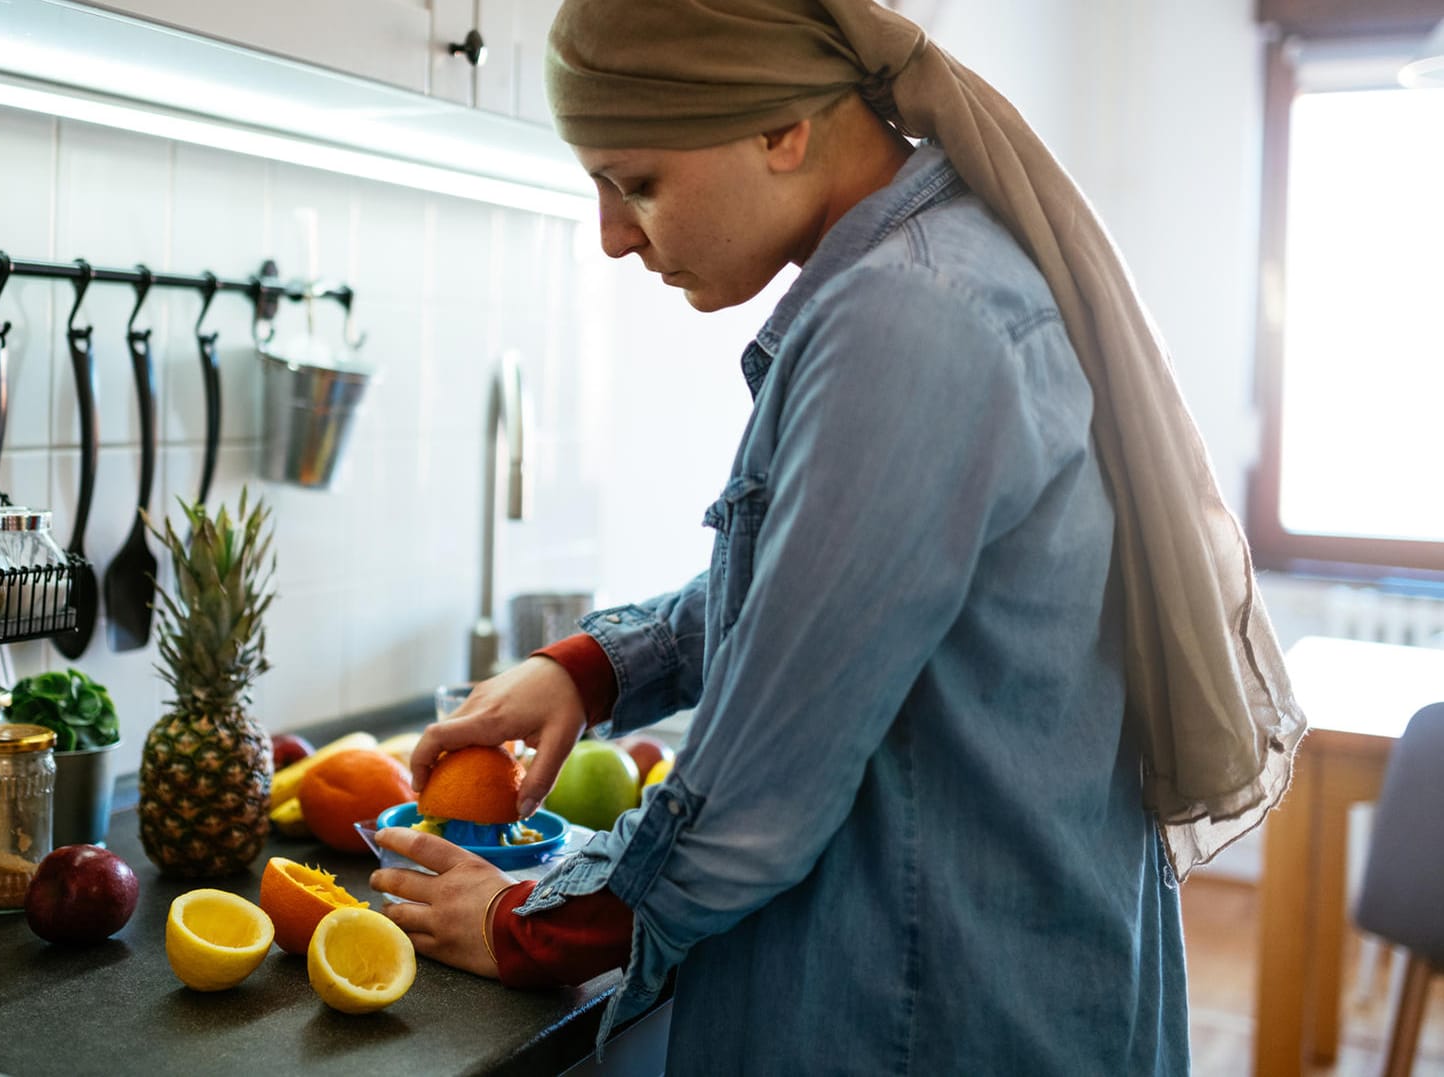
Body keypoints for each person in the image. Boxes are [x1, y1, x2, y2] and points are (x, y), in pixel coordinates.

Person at [369, 1, 1306, 1073]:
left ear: (782, 132)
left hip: (929, 1016)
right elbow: (825, 583)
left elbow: (754, 798)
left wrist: (531, 926)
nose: (613, 236)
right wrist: (590, 669)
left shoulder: (905, 318)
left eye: (636, 183)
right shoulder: (932, 270)